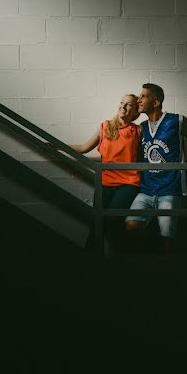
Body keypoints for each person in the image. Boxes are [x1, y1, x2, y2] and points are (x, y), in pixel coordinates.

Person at [125, 83, 187, 255]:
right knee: (132, 226)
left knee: (167, 238)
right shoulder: (141, 127)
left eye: (143, 96)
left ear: (156, 102)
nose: (139, 99)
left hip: (170, 190)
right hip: (146, 190)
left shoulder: (177, 120)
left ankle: (167, 274)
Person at [65, 94, 142, 254]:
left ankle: (123, 259)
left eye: (128, 105)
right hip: (105, 182)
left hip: (128, 184)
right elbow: (83, 147)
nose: (123, 106)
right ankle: (90, 261)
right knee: (97, 222)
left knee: (113, 220)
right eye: (122, 102)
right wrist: (57, 146)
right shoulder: (105, 126)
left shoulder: (137, 130)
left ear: (135, 111)